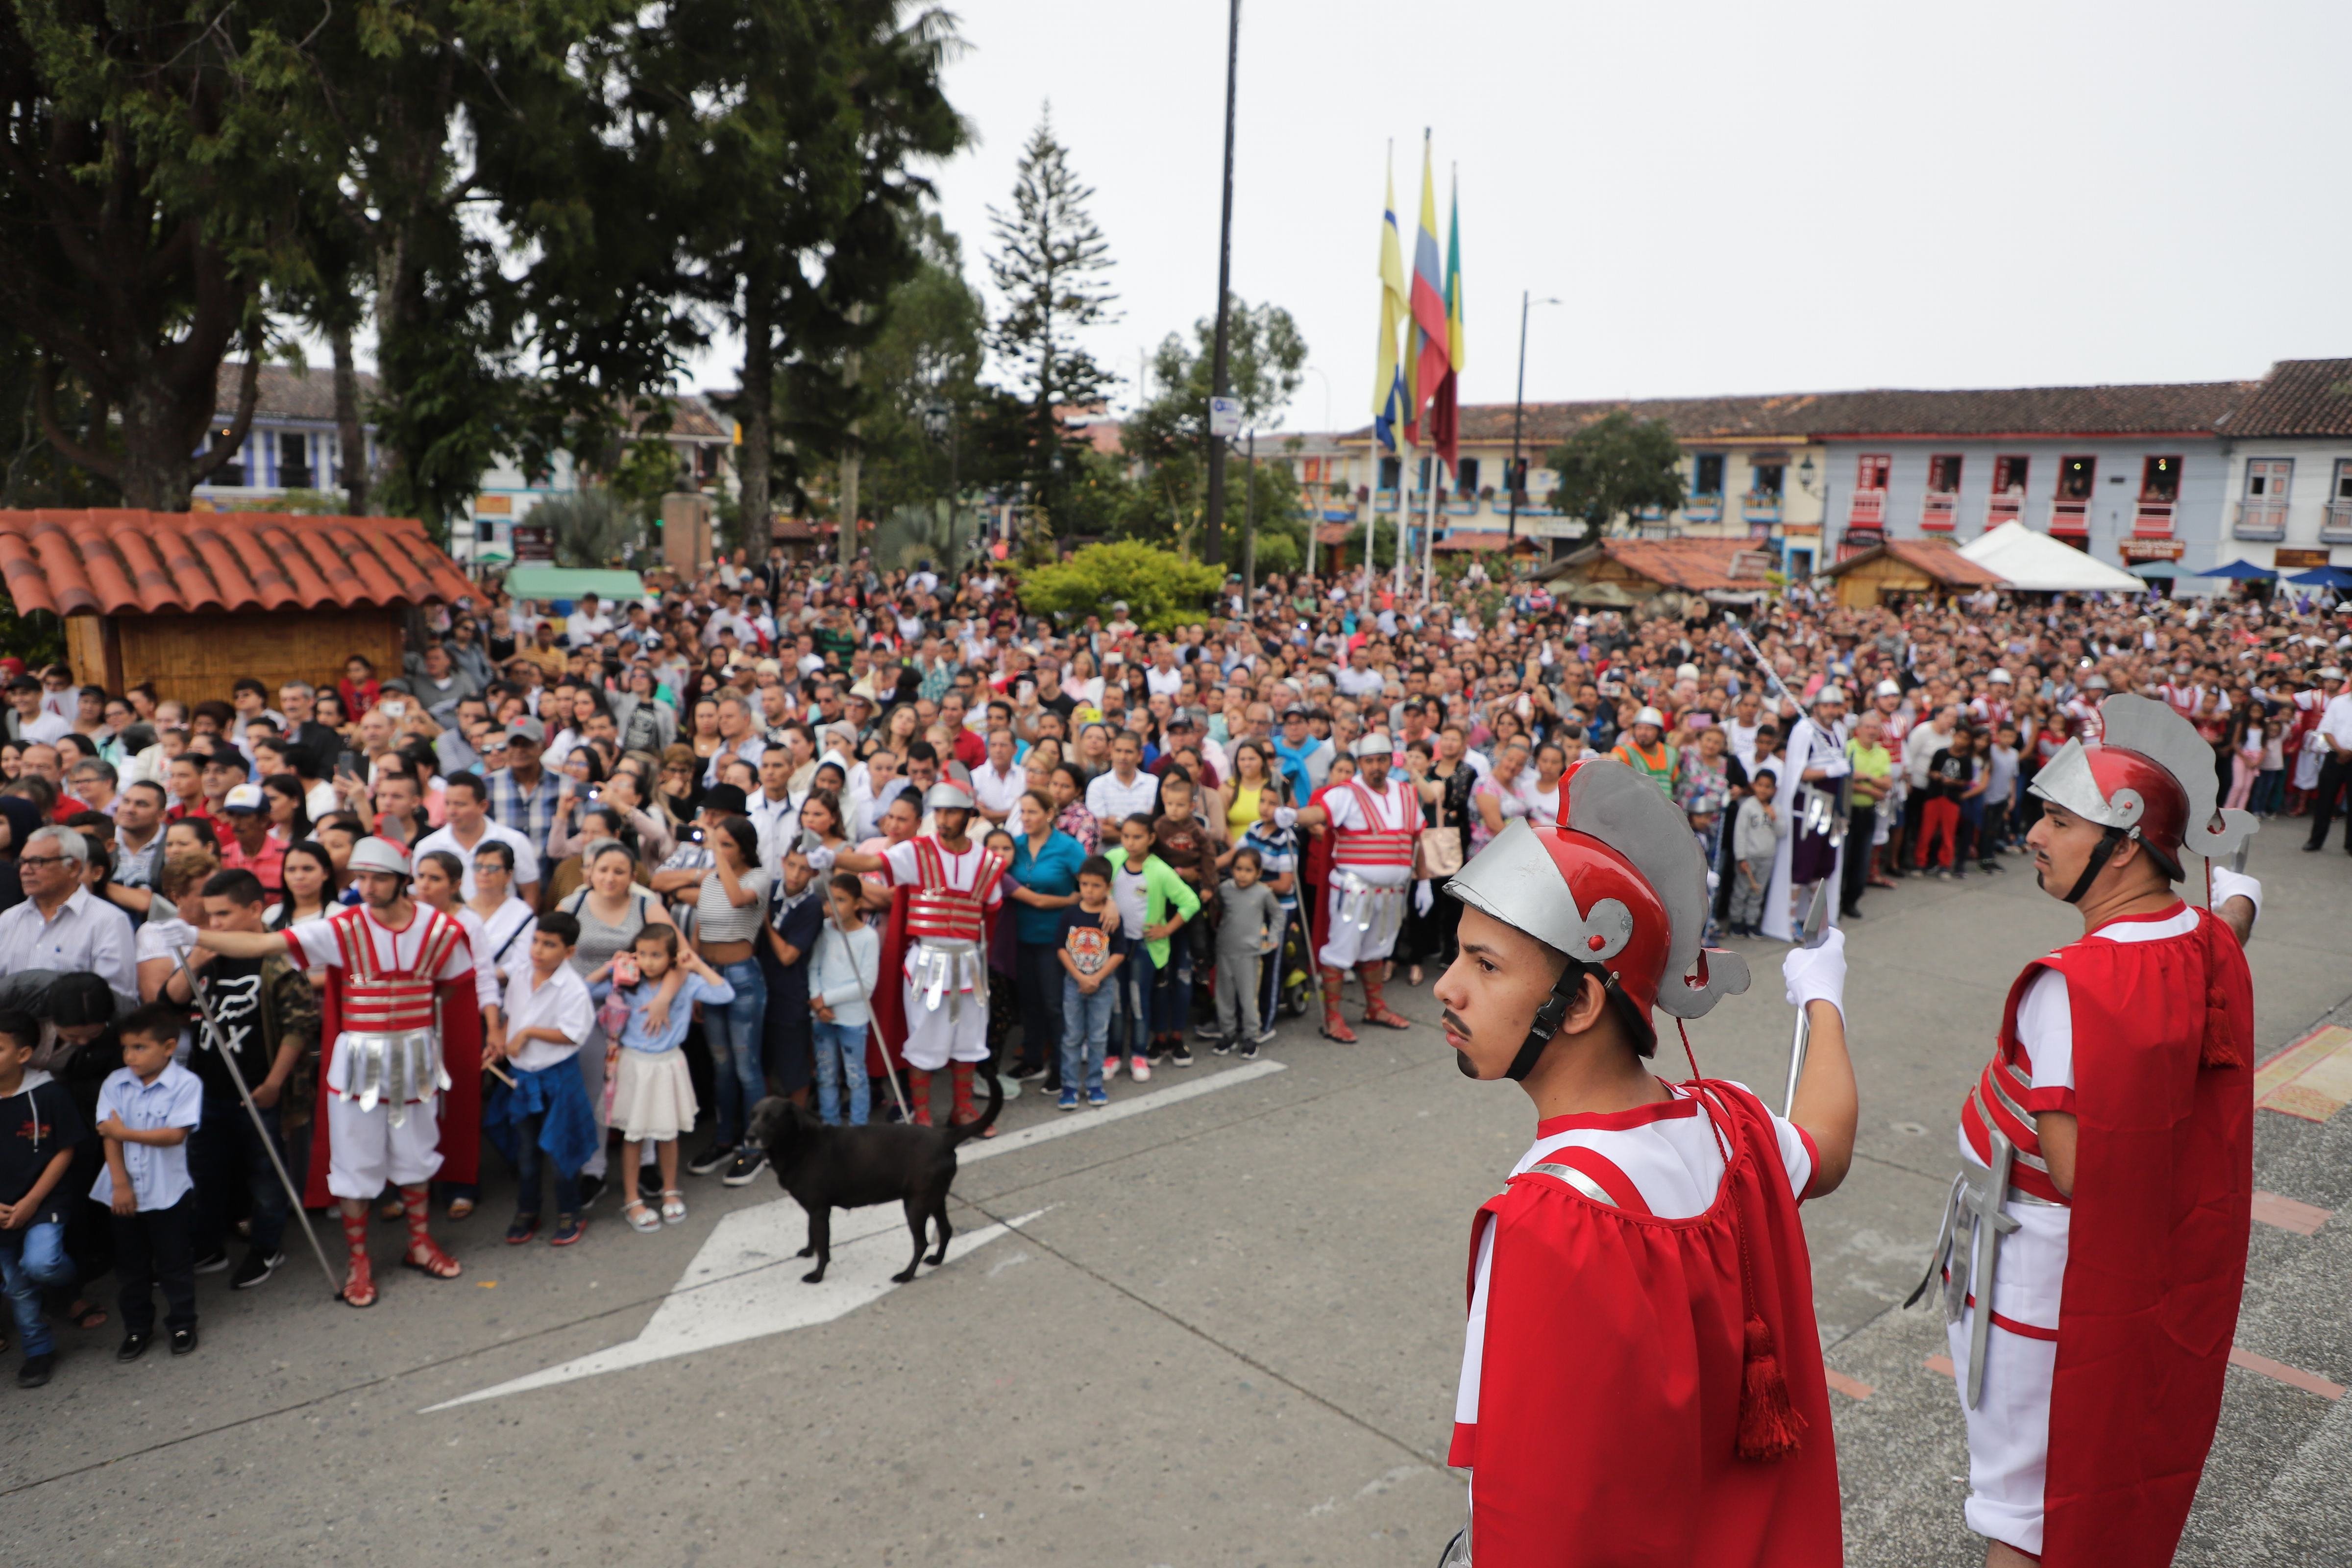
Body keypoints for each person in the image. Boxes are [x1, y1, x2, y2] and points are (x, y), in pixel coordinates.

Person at [1432, 759, 1855, 1566]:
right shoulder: (1735, 1124)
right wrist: (1824, 999)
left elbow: (1535, 1515)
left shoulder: (1549, 1219)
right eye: (1458, 957)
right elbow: (1826, 1149)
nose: (1448, 988)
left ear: (1583, 1002)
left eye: (1485, 966)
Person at [1917, 694, 2260, 1568]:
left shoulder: (2074, 987)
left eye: (2059, 820)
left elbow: (2083, 1171)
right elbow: (2224, 935)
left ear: (2126, 839)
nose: (2034, 835)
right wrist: (2244, 900)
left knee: (2023, 1517)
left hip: (2038, 1284)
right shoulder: (2205, 941)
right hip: (2134, 1277)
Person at [195, 836, 482, 1308]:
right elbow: (265, 942)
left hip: (413, 1058)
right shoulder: (341, 926)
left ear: (402, 880)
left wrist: (408, 1021)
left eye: (378, 878)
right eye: (360, 878)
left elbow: (451, 988)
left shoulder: (441, 929)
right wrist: (192, 935)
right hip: (358, 1063)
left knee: (416, 1151)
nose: (366, 887)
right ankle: (359, 1262)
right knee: (356, 1160)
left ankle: (419, 1243)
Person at [163, 868, 318, 1291]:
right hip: (209, 1090)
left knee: (267, 1177)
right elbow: (170, 1000)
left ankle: (268, 1247)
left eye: (224, 915)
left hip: (259, 1090)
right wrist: (196, 958)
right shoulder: (209, 952)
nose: (214, 926)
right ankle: (208, 1247)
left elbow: (299, 1025)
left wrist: (273, 1084)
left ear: (255, 909)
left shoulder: (278, 956)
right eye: (209, 916)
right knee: (205, 1175)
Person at [837, 782, 1007, 1129]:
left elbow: (991, 913)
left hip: (969, 963)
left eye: (952, 812)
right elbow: (870, 861)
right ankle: (923, 1115)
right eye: (939, 812)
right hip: (927, 962)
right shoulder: (916, 852)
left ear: (969, 815)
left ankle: (963, 1110)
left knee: (968, 1039)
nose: (943, 820)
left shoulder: (988, 861)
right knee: (923, 1038)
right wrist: (830, 857)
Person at [1289, 734, 1437, 1042]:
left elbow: (1417, 841)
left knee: (1377, 950)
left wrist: (1424, 883)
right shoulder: (1346, 794)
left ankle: (1375, 1008)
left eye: (1382, 760)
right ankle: (1332, 1018)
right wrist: (1291, 816)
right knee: (1340, 952)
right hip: (1353, 891)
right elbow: (1317, 814)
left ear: (1390, 760)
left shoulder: (1407, 793)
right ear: (1360, 764)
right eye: (1369, 761)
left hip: (1394, 893)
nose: (1376, 767)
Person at [93, 1003, 207, 1360]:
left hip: (167, 1191)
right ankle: (137, 1329)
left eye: (140, 1047)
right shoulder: (115, 1083)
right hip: (122, 1192)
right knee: (130, 1268)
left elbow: (175, 1135)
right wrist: (120, 1183)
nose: (130, 1056)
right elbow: (108, 1137)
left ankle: (183, 1323)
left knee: (174, 1264)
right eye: (126, 1047)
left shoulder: (186, 1085)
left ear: (169, 1047)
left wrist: (124, 1131)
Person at [484, 912, 597, 1248]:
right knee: (527, 1152)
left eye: (550, 945)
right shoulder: (520, 975)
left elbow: (572, 1035)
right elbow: (510, 1017)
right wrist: (499, 1043)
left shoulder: (573, 989)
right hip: (523, 1076)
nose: (538, 950)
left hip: (558, 1078)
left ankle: (570, 1211)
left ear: (569, 952)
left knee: (562, 1150)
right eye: (536, 941)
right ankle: (528, 1209)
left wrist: (530, 1033)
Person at [604, 924, 728, 1229]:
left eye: (657, 955)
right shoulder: (628, 982)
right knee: (634, 1135)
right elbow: (586, 988)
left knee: (668, 1132)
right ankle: (633, 1199)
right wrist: (610, 968)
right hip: (635, 1064)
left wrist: (697, 964)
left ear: (673, 958)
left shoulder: (685, 985)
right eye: (643, 954)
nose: (648, 962)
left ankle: (670, 1190)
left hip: (669, 1063)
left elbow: (725, 993)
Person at [0, 1008, 85, 1387]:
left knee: (41, 1266)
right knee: (15, 1286)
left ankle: (68, 1285)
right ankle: (38, 1352)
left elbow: (65, 1150)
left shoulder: (48, 1093)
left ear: (23, 1054)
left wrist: (33, 1201)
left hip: (42, 1202)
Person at [0, 824, 137, 1011]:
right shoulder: (9, 919)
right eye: (22, 862)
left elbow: (117, 1000)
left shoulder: (108, 920)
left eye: (37, 862)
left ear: (73, 867)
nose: (25, 870)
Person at [808, 872, 881, 1127]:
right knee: (826, 1074)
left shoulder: (868, 938)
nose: (833, 907)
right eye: (829, 900)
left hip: (851, 1019)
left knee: (855, 1075)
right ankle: (830, 1124)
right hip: (822, 1016)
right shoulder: (825, 931)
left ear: (858, 904)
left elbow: (866, 985)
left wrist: (824, 999)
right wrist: (817, 1002)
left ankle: (859, 1128)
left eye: (841, 900)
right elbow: (814, 967)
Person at [1054, 856, 1125, 1111]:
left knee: (1097, 1037)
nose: (1089, 890)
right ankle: (1070, 1086)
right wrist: (1080, 976)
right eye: (1084, 885)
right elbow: (1062, 948)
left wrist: (1097, 977)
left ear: (1108, 886)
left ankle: (1095, 1083)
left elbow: (1119, 951)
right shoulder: (1071, 913)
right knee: (1072, 1036)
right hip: (1073, 983)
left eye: (1096, 886)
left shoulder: (1111, 918)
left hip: (1103, 985)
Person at [1211, 848, 1279, 1058]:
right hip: (1225, 951)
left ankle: (1251, 1036)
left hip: (1250, 954)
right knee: (1224, 996)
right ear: (1231, 870)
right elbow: (1217, 910)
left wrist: (1273, 937)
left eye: (1248, 870)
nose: (1242, 874)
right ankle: (1228, 1034)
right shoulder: (1224, 890)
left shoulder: (1263, 893)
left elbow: (1278, 915)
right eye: (1238, 869)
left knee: (1249, 998)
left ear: (1259, 873)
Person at [1729, 768, 1784, 937]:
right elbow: (1740, 833)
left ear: (1774, 790)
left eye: (1768, 787)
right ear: (1754, 786)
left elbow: (1782, 833)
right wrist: (1741, 857)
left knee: (1758, 892)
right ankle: (1736, 921)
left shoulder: (1775, 808)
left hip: (1767, 858)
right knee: (1742, 889)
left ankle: (1751, 922)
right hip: (1749, 857)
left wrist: (1775, 819)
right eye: (1760, 785)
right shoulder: (1748, 807)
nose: (1763, 790)